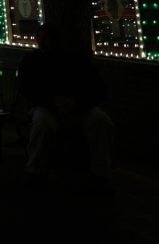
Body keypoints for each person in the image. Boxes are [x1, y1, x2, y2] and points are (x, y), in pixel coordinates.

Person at [18, 23, 114, 188]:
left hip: (78, 109)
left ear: (54, 39)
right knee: (42, 124)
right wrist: (54, 100)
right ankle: (35, 173)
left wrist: (75, 103)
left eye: (45, 37)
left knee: (101, 120)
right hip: (47, 108)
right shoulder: (31, 60)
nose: (41, 41)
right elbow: (27, 88)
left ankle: (101, 175)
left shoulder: (75, 59)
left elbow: (98, 88)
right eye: (39, 37)